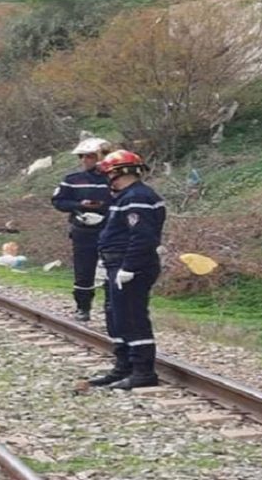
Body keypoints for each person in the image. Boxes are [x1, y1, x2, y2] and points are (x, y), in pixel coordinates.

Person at [89, 150, 166, 390]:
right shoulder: (125, 197)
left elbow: (142, 237)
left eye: (108, 173)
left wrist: (129, 267)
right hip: (115, 263)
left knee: (132, 318)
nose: (106, 178)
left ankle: (143, 371)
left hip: (130, 265)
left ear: (118, 172)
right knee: (117, 318)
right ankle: (124, 367)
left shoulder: (138, 197)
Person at [52, 138, 114, 323]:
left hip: (110, 230)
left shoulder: (114, 180)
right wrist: (79, 205)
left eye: (89, 156)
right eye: (82, 156)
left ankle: (111, 309)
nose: (84, 160)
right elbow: (59, 201)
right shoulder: (73, 179)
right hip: (83, 230)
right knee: (83, 271)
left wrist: (106, 210)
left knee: (111, 270)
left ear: (102, 157)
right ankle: (83, 307)